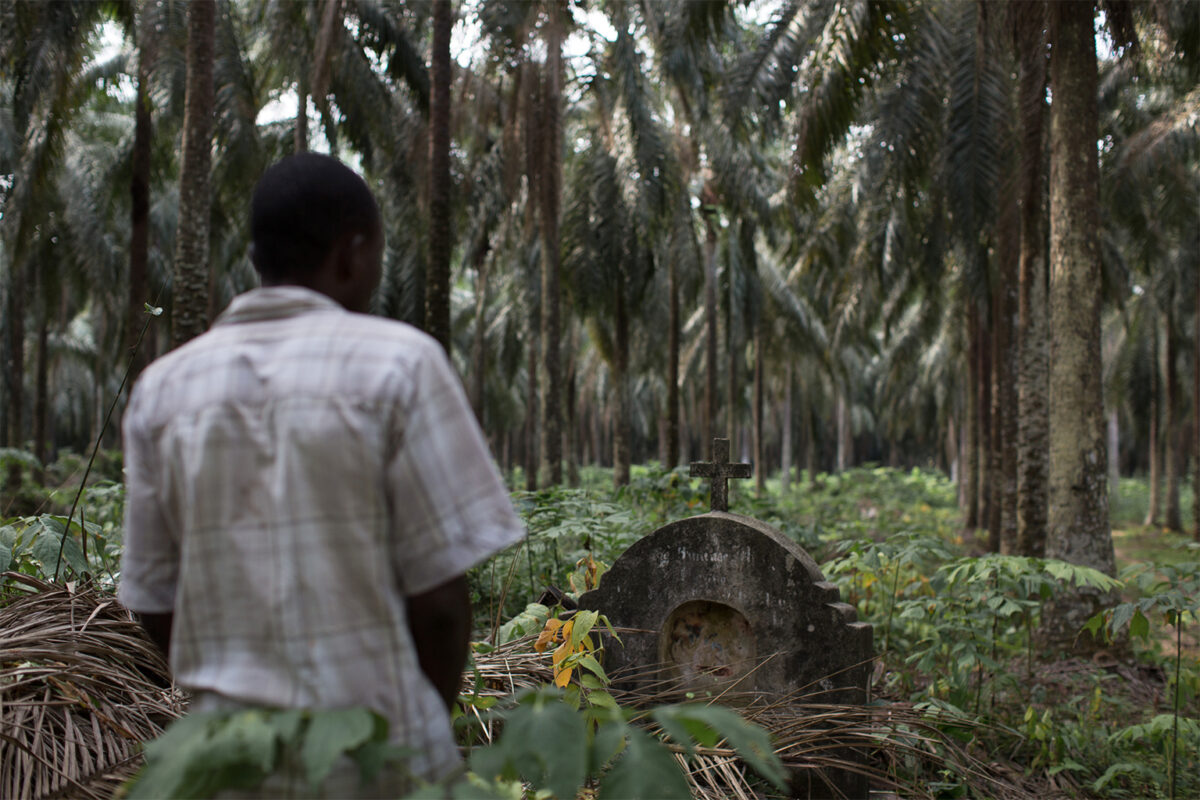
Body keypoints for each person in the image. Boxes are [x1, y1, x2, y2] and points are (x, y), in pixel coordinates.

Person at [118, 153, 525, 795]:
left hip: (226, 763)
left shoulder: (161, 392)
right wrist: (417, 729)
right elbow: (442, 606)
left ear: (260, 256)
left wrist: (229, 696)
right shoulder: (401, 366)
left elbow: (154, 599)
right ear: (352, 252)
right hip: (377, 759)